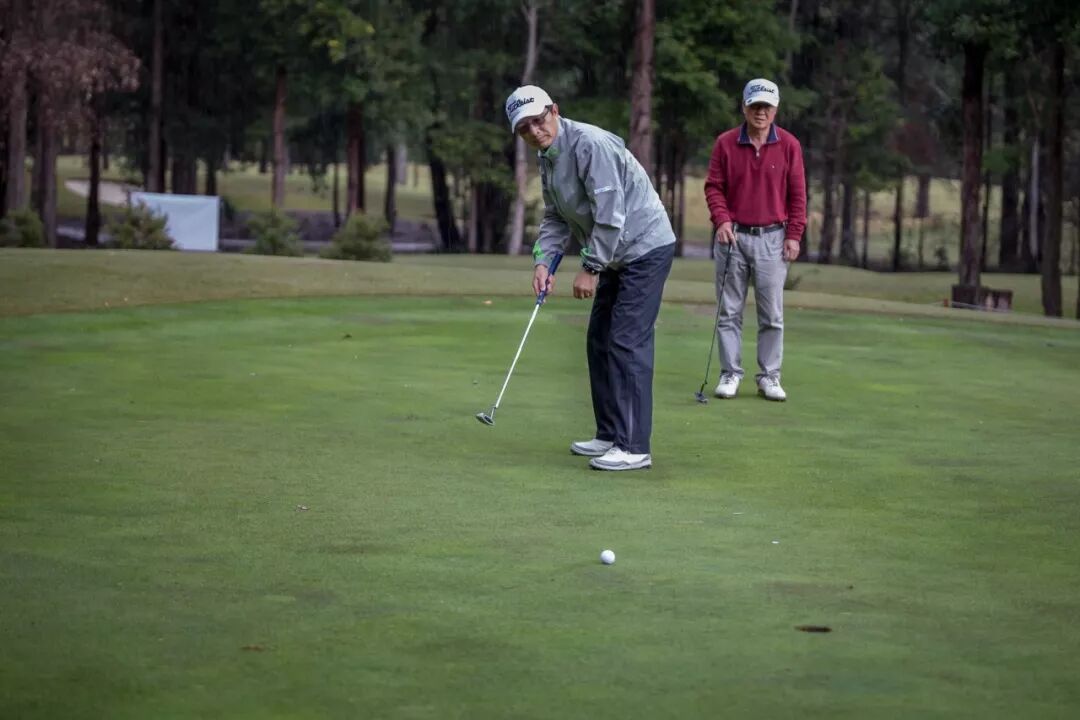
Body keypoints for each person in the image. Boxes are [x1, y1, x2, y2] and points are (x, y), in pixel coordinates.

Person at [505, 85, 676, 471]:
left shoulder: (590, 144)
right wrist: (543, 262)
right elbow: (554, 217)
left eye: (539, 119)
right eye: (524, 128)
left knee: (626, 341)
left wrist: (590, 268)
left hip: (644, 248)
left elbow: (611, 214)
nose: (535, 130)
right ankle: (610, 434)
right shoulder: (547, 157)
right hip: (614, 253)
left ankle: (634, 446)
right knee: (599, 340)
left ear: (555, 110)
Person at [703, 78, 806, 402]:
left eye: (766, 106)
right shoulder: (725, 143)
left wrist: (794, 235)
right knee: (729, 311)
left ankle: (769, 377)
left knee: (771, 315)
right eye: (755, 106)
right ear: (744, 107)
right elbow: (714, 187)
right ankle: (730, 373)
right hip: (732, 236)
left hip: (773, 238)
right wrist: (721, 220)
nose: (760, 112)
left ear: (775, 109)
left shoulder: (789, 145)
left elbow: (798, 196)